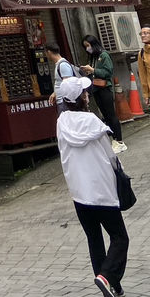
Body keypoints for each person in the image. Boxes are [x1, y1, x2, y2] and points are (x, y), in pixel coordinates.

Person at [56, 76, 128, 297]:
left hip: (79, 193)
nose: (87, 94)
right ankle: (107, 277)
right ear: (81, 98)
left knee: (94, 238)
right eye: (85, 92)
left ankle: (108, 283)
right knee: (120, 237)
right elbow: (110, 156)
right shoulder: (94, 122)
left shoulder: (61, 122)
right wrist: (122, 173)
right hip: (102, 191)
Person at [80, 35, 126, 154]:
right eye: (85, 47)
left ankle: (120, 141)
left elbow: (108, 72)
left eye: (88, 46)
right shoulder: (93, 57)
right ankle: (114, 140)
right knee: (105, 115)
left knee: (111, 114)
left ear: (93, 44)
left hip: (105, 88)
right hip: (96, 89)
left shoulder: (103, 55)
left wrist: (93, 70)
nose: (87, 49)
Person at [45, 42, 76, 113]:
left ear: (49, 52)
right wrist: (55, 93)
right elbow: (60, 83)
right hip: (62, 101)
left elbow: (67, 84)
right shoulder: (59, 64)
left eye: (46, 53)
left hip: (65, 102)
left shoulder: (63, 65)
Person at [137, 23, 150, 108]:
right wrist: (146, 94)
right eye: (141, 33)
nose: (143, 35)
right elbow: (143, 76)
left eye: (146, 33)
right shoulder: (141, 53)